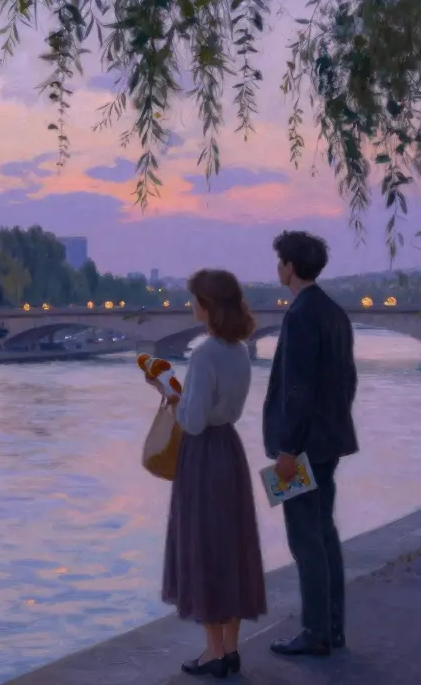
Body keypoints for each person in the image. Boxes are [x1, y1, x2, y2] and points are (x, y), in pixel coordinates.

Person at [146, 268, 267, 678]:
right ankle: (230, 649)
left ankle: (213, 653)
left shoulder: (203, 353)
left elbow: (193, 420)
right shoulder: (239, 351)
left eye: (194, 298)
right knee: (230, 546)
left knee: (204, 547)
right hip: (229, 451)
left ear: (207, 305)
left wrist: (170, 395)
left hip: (202, 456)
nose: (190, 305)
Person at [262, 230, 359, 658]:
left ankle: (314, 631)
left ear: (291, 266)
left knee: (304, 538)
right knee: (324, 532)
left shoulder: (300, 315)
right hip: (329, 442)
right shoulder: (335, 313)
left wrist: (286, 448)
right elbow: (347, 381)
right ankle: (333, 628)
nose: (277, 267)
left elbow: (296, 389)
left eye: (280, 260)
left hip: (300, 447)